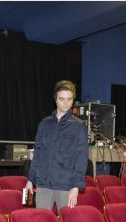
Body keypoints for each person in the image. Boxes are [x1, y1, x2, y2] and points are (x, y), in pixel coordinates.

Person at [25, 80, 89, 210]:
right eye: (62, 99)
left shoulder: (79, 126)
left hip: (66, 186)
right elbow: (38, 154)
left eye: (69, 99)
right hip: (43, 185)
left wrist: (76, 186)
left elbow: (81, 158)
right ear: (55, 99)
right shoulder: (44, 124)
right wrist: (30, 180)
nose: (66, 103)